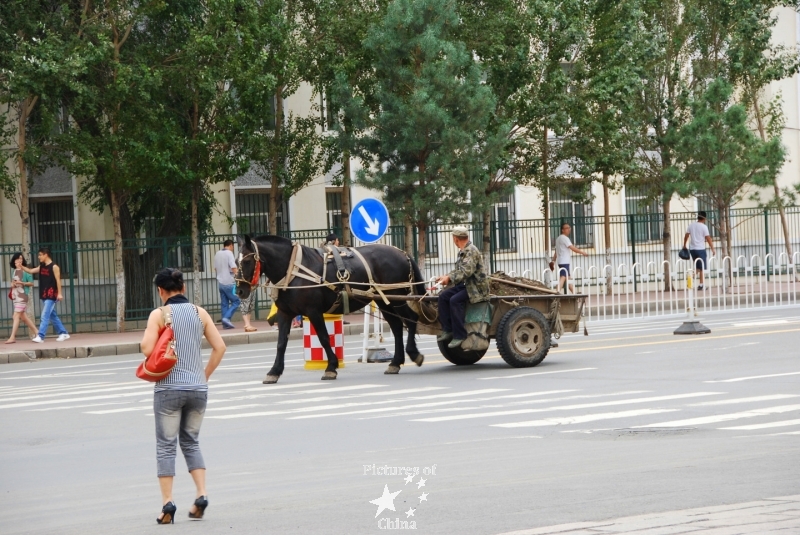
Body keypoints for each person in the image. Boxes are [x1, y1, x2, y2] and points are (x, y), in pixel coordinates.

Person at [141, 268, 226, 524]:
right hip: (198, 390)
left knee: (166, 446)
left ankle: (167, 503)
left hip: (168, 389)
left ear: (160, 291)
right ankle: (201, 494)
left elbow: (146, 349)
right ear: (184, 288)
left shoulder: (159, 314)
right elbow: (219, 347)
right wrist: (204, 376)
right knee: (191, 442)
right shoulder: (200, 313)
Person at [435, 226, 490, 349]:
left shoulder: (470, 251)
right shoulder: (464, 250)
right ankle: (448, 329)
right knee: (443, 297)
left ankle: (459, 335)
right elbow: (459, 270)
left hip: (476, 288)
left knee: (454, 300)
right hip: (466, 286)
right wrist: (446, 276)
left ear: (455, 239)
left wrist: (449, 278)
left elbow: (466, 272)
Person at [21, 247, 69, 343]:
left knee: (45, 315)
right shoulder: (42, 266)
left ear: (46, 254)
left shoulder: (54, 267)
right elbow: (31, 271)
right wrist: (21, 266)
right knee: (52, 316)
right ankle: (63, 333)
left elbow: (58, 281)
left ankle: (41, 336)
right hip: (44, 294)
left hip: (51, 295)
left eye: (40, 255)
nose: (39, 257)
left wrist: (59, 293)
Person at [5, 253, 37, 344]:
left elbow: (31, 283)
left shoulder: (26, 271)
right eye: (18, 259)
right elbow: (13, 281)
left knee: (15, 316)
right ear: (14, 260)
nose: (19, 260)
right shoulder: (14, 271)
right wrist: (12, 284)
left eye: (21, 259)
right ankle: (37, 332)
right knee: (24, 317)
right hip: (15, 295)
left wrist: (22, 283)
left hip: (22, 296)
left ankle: (12, 337)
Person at [551, 222, 589, 294]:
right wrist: (582, 252)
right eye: (567, 228)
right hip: (564, 261)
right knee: (563, 277)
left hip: (561, 261)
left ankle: (575, 294)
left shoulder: (558, 238)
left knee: (568, 279)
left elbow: (556, 251)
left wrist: (553, 260)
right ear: (562, 230)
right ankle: (556, 293)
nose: (569, 229)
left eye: (569, 228)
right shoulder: (565, 238)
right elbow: (572, 248)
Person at [683, 211, 716, 290]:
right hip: (700, 249)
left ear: (698, 217)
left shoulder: (691, 225)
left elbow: (686, 236)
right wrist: (712, 248)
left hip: (692, 249)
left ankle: (690, 281)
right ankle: (701, 285)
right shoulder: (704, 227)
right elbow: (708, 238)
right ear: (704, 218)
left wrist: (684, 245)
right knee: (702, 268)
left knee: (697, 267)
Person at [213, 239, 239, 329]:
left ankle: (225, 325)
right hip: (229, 282)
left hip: (220, 282)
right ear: (231, 245)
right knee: (236, 301)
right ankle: (226, 318)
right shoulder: (229, 253)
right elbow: (233, 266)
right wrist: (238, 274)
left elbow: (215, 268)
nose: (232, 248)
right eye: (233, 246)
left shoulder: (217, 253)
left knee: (224, 303)